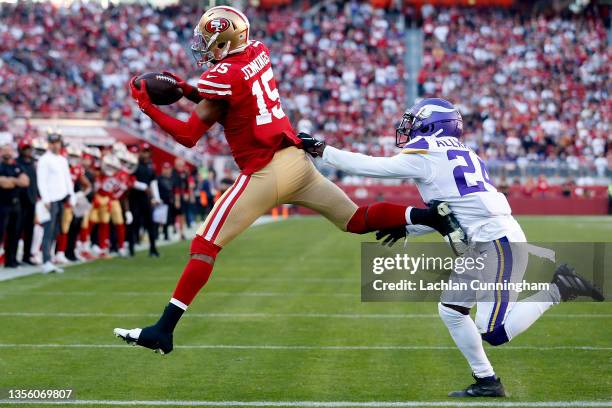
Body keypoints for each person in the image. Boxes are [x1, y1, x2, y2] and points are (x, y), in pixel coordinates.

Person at [114, 6, 462, 355]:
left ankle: (163, 330)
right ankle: (430, 216)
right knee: (355, 220)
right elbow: (231, 98)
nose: (204, 46)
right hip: (297, 161)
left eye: (209, 40)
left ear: (225, 39)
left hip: (265, 171)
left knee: (205, 246)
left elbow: (190, 134)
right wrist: (188, 90)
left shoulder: (222, 76)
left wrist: (150, 107)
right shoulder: (257, 51)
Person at [299, 97, 604, 398]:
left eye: (415, 122)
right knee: (452, 310)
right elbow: (449, 214)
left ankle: (559, 288)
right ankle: (487, 381)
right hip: (485, 241)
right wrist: (409, 226)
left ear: (433, 125)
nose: (408, 128)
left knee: (494, 332)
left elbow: (373, 167)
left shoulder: (427, 152)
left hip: (498, 243)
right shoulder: (463, 153)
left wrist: (324, 151)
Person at [37, 131, 74, 274]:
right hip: (51, 199)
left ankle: (49, 259)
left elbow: (67, 179)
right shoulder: (44, 159)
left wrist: (70, 195)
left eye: (57, 142)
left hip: (61, 198)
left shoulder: (62, 159)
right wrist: (45, 198)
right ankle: (46, 260)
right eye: (52, 143)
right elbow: (42, 180)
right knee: (48, 230)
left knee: (56, 231)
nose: (55, 145)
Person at [0, 143, 30, 268]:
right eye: (5, 150)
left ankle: (10, 259)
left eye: (9, 150)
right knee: (1, 232)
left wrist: (11, 180)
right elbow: (3, 183)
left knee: (15, 233)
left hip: (16, 204)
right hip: (2, 204)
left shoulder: (17, 166)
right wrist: (15, 180)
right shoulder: (1, 166)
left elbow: (25, 181)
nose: (7, 153)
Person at [129, 144, 159, 257]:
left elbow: (153, 182)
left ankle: (153, 249)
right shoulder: (134, 164)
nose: (145, 154)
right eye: (143, 151)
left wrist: (156, 197)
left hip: (146, 199)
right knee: (133, 223)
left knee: (150, 224)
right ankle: (131, 249)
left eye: (147, 152)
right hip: (135, 198)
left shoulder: (150, 166)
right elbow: (130, 180)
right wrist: (143, 187)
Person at [16, 138, 38, 265]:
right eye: (25, 149)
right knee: (17, 230)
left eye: (29, 148)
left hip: (32, 201)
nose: (28, 151)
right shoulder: (17, 163)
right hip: (20, 201)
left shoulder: (33, 164)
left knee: (30, 230)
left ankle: (27, 256)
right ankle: (12, 256)